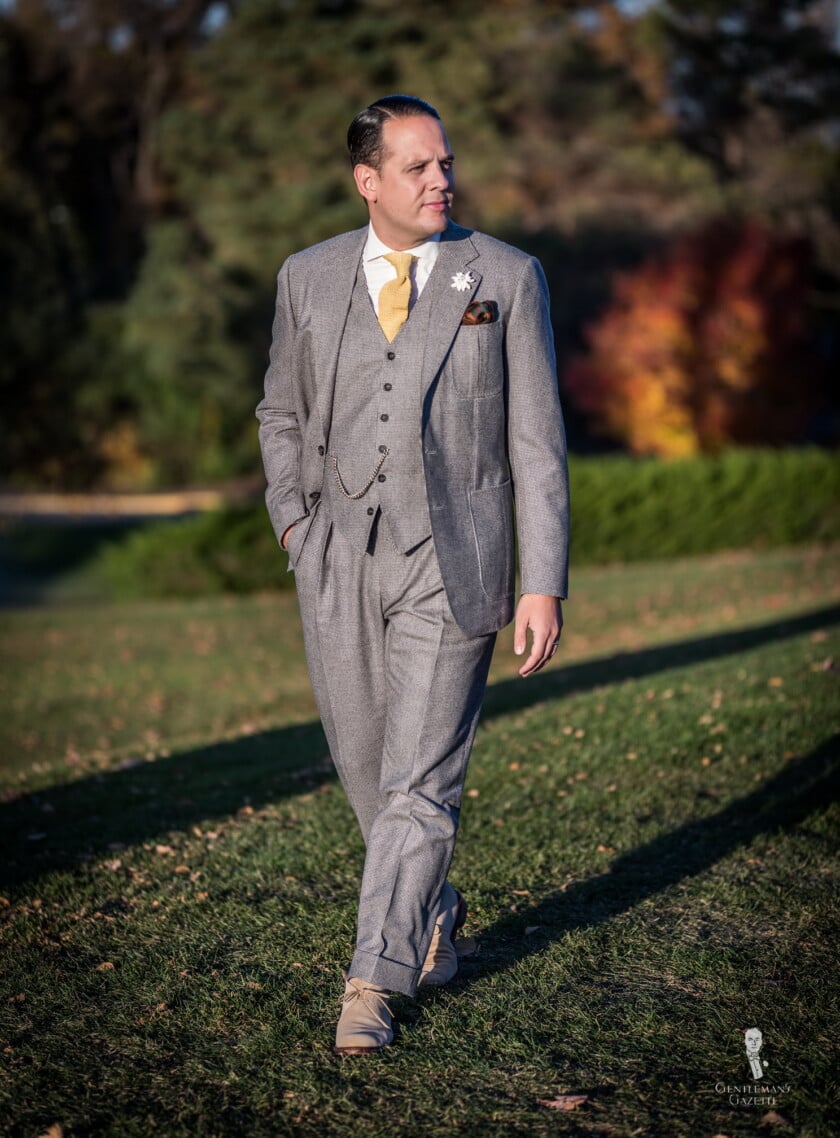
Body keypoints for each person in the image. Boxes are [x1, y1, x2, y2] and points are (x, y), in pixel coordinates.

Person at [256, 95, 570, 1055]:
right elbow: (280, 411)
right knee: (367, 770)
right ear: (368, 181)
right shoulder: (307, 278)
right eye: (419, 168)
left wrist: (541, 578)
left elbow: (537, 441)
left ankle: (371, 982)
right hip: (338, 557)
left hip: (457, 563)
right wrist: (294, 525)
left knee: (419, 786)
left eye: (446, 165)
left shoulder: (505, 277)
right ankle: (432, 906)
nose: (443, 181)